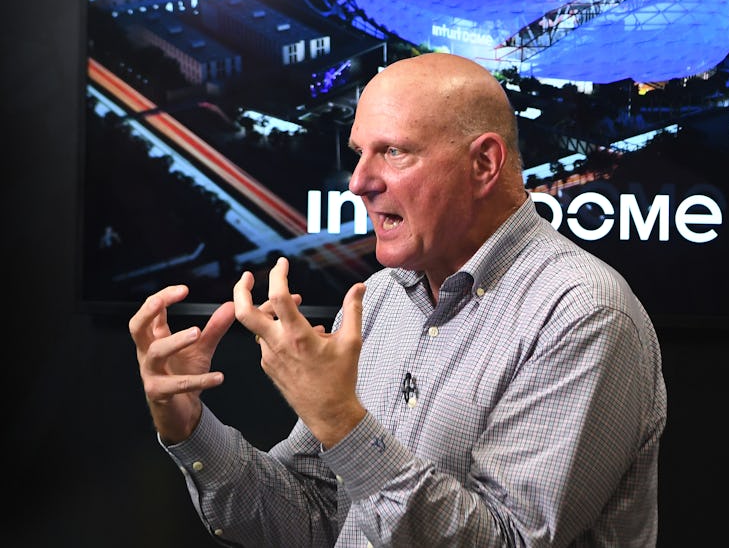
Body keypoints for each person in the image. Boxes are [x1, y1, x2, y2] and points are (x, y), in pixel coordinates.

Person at [129, 52, 667, 547]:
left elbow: (509, 542)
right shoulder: (381, 299)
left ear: (484, 165)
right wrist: (189, 427)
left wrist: (339, 419)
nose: (359, 182)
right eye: (360, 153)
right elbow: (313, 517)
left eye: (393, 151)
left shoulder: (581, 313)